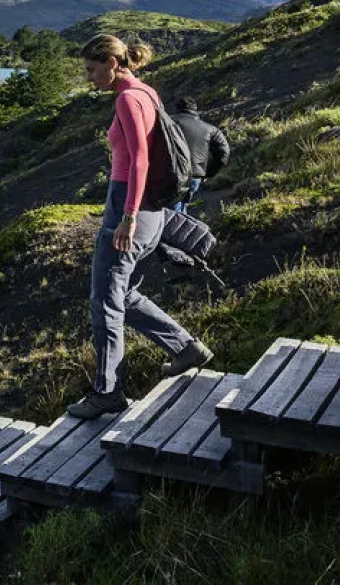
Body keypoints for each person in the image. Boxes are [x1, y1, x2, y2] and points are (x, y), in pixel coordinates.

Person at [66, 34, 214, 419]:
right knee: (126, 295)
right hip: (153, 211)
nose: (89, 77)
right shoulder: (147, 91)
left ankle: (107, 393)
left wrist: (127, 217)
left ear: (113, 63)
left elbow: (140, 162)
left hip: (131, 207)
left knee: (105, 301)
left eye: (92, 69)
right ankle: (185, 348)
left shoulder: (129, 98)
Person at [171, 97, 230, 214]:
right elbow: (224, 153)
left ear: (177, 108)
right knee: (182, 210)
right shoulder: (210, 129)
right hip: (195, 176)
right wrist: (208, 173)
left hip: (170, 174)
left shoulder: (168, 123)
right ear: (195, 110)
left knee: (171, 213)